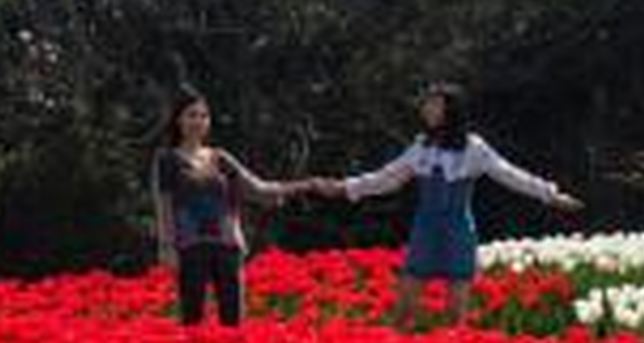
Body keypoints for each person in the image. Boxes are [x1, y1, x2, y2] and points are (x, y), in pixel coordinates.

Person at [305, 81, 584, 325]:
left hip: (457, 230)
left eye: (434, 105)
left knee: (455, 312)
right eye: (426, 104)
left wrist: (549, 194)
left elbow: (509, 174)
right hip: (425, 228)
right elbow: (387, 178)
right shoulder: (421, 146)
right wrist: (345, 188)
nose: (427, 110)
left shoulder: (474, 148)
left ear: (451, 110)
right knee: (404, 307)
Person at [150, 88, 307, 326]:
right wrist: (166, 246)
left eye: (203, 116)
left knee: (233, 319)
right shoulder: (167, 160)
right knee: (192, 318)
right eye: (191, 115)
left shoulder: (220, 158)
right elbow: (164, 205)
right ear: (178, 120)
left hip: (227, 245)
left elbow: (256, 188)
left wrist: (293, 188)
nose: (198, 121)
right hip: (190, 246)